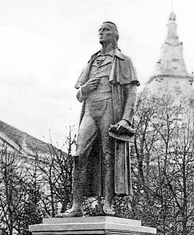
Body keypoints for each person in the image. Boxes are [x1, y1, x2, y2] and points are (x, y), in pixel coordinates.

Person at [59, 21, 139, 217]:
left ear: (115, 35)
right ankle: (76, 206)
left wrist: (126, 119)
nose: (102, 33)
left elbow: (131, 92)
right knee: (79, 155)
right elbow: (79, 95)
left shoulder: (123, 60)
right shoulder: (92, 60)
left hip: (109, 107)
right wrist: (85, 88)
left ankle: (108, 204)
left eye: (106, 30)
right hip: (90, 110)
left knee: (107, 155)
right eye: (100, 31)